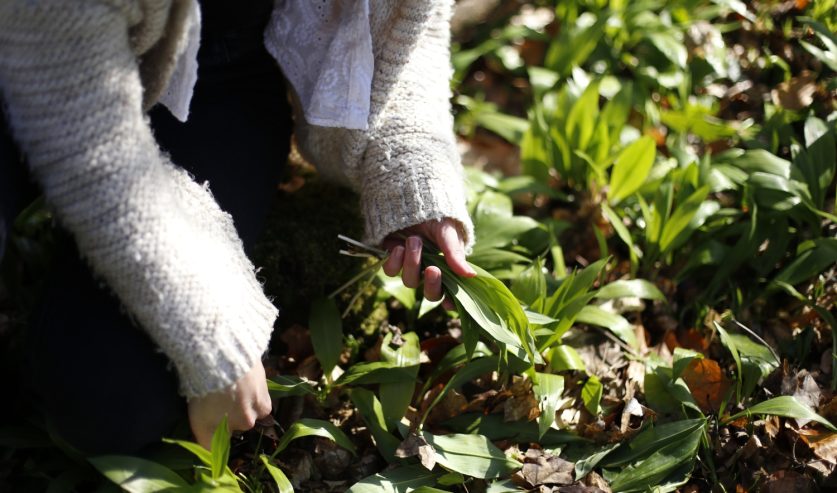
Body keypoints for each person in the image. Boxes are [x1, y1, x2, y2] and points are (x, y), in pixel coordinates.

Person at [0, 0, 474, 454]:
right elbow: (83, 138)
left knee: (109, 395)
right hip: (29, 48)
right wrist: (211, 315)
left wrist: (413, 180)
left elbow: (406, 31)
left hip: (218, 69)